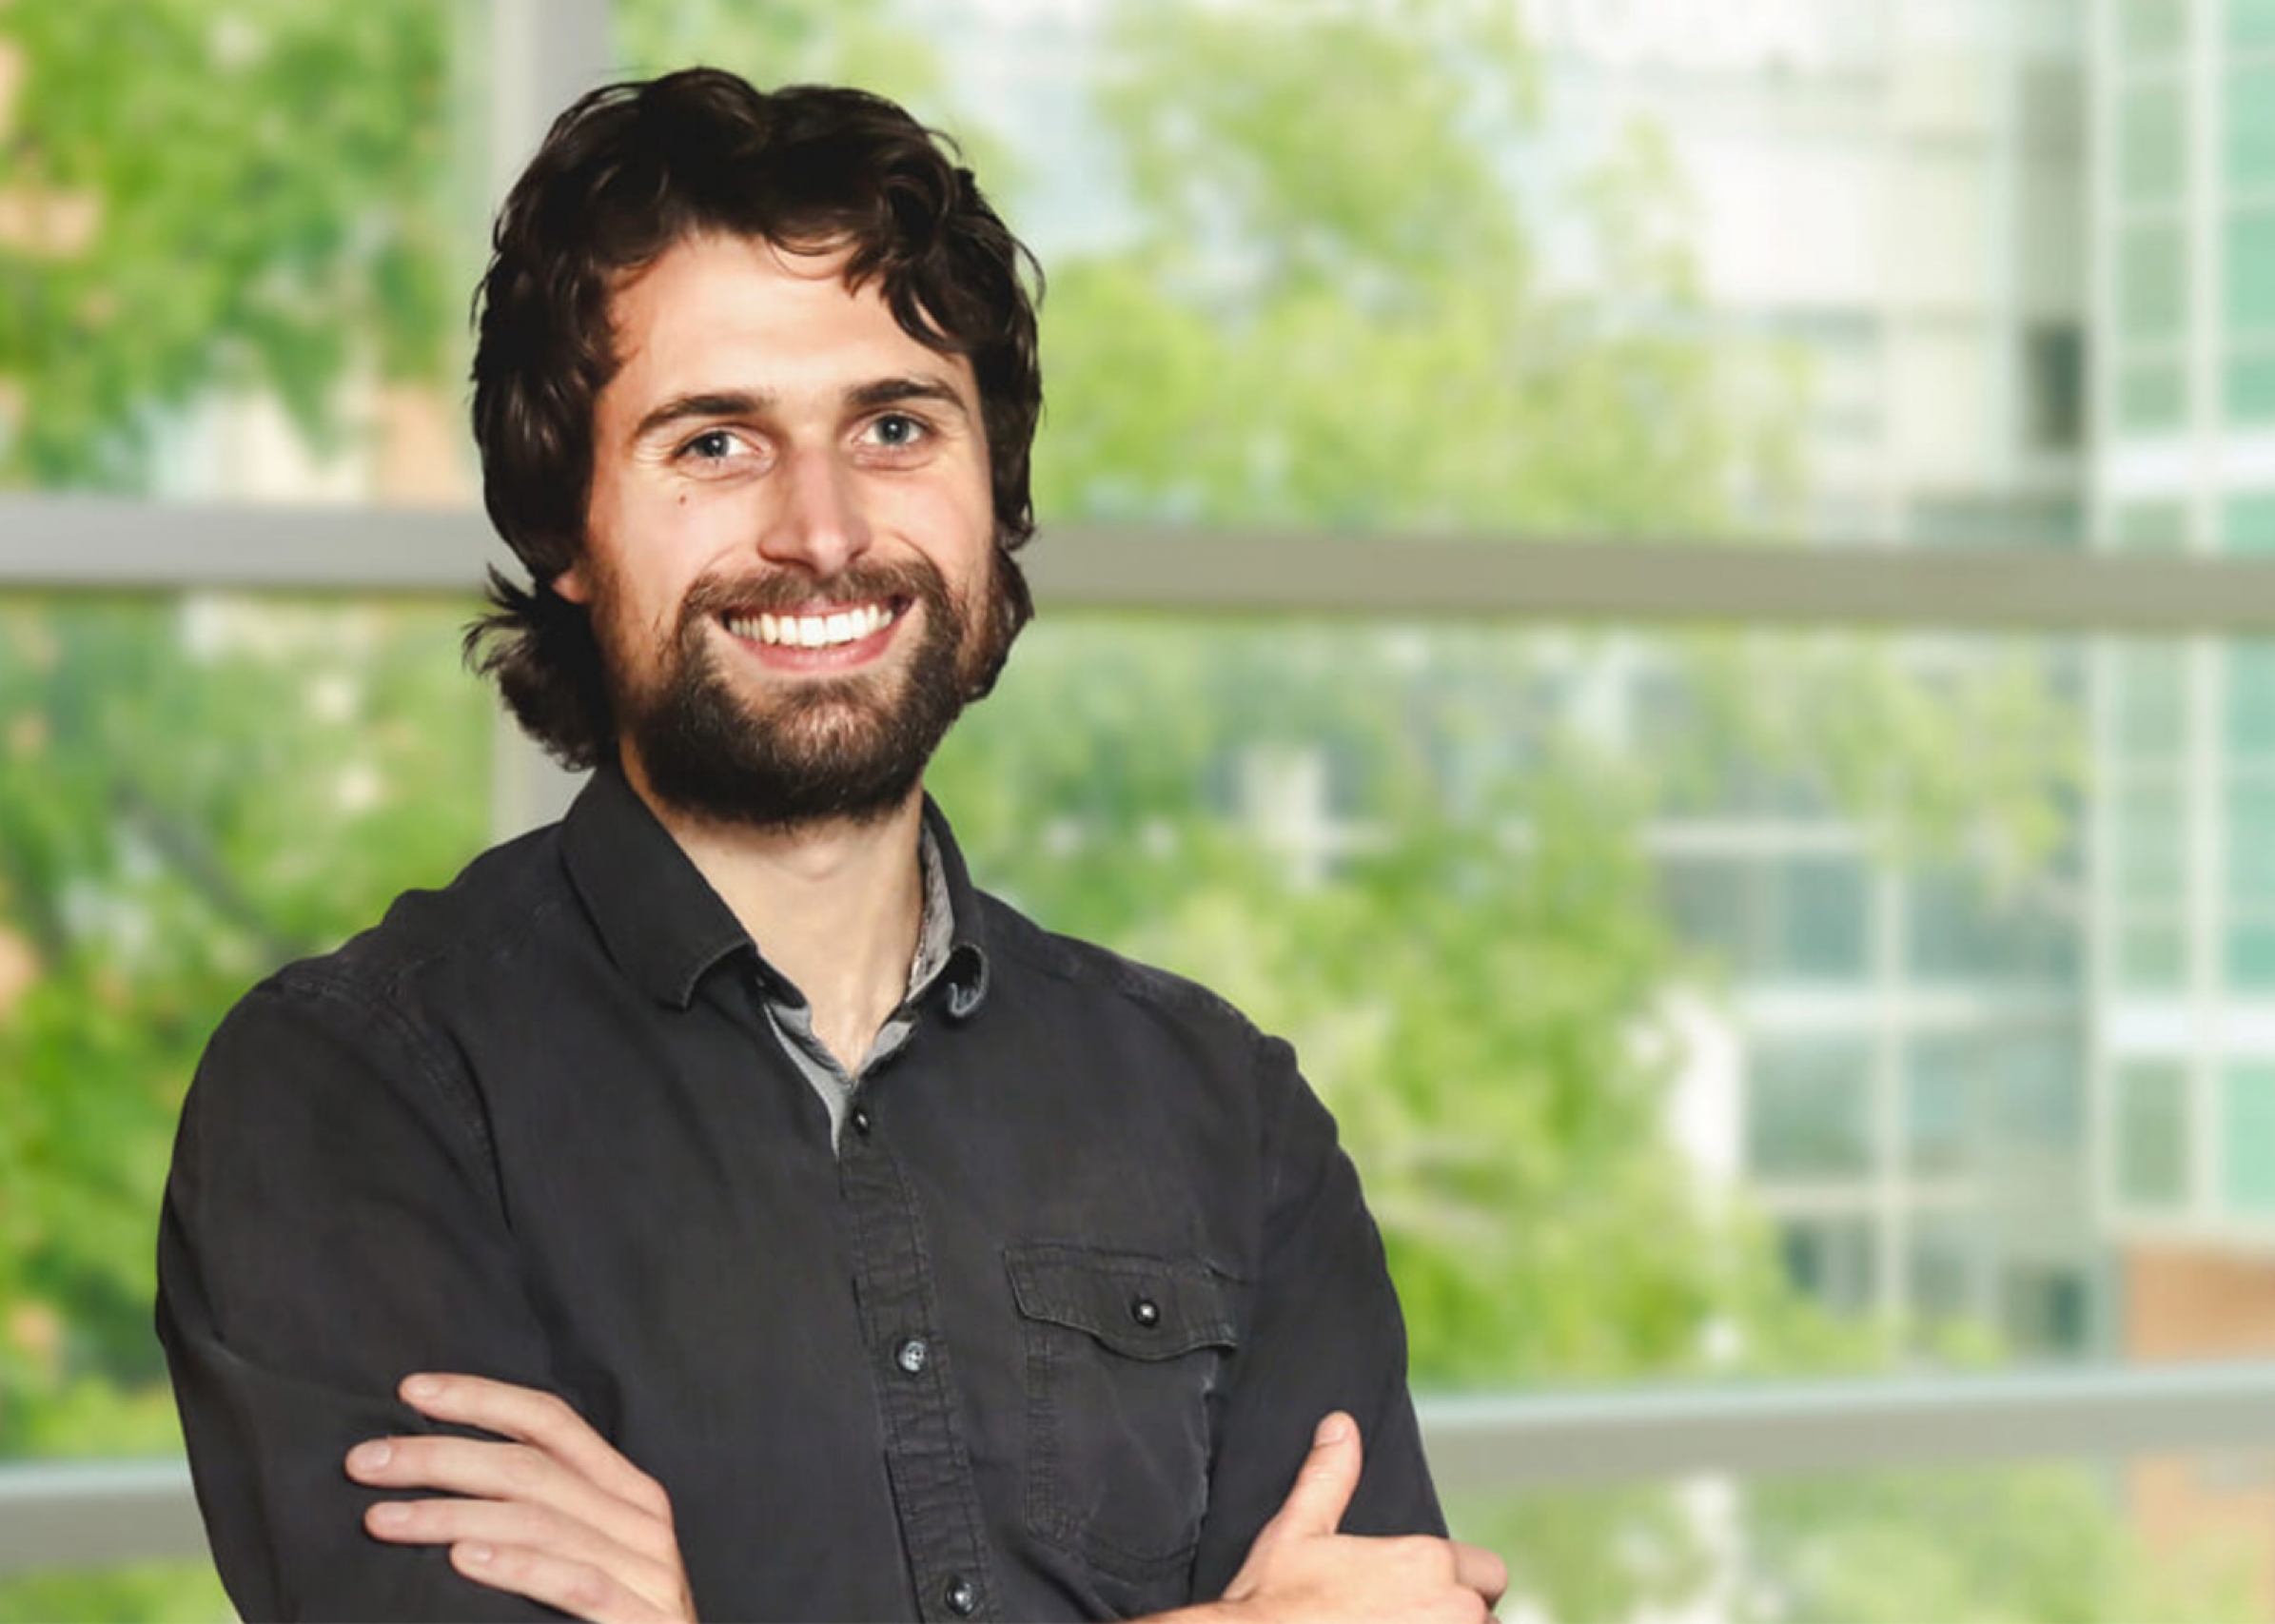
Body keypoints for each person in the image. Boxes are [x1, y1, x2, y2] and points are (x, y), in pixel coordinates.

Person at [156, 68, 1507, 1623]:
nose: (822, 528)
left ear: (991, 496)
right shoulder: (356, 1097)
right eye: (716, 444)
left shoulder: (1228, 1117)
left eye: (892, 426)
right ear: (567, 533)